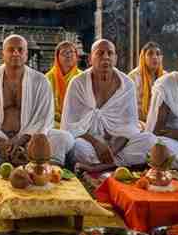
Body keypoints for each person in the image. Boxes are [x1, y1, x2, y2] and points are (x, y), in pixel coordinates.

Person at [0, 34, 74, 170]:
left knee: (64, 138)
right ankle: (32, 160)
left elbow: (43, 119)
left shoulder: (41, 81)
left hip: (30, 141)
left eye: (20, 50)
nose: (16, 53)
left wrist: (20, 142)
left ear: (26, 54)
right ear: (3, 54)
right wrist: (2, 143)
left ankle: (24, 155)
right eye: (11, 49)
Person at [62, 39, 156, 172]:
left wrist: (111, 150)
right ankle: (117, 163)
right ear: (90, 59)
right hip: (89, 142)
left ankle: (103, 166)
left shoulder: (127, 84)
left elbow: (129, 127)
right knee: (77, 148)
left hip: (118, 143)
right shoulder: (77, 83)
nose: (106, 57)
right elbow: (70, 125)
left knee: (149, 140)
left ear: (115, 58)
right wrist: (97, 145)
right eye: (100, 53)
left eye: (110, 53)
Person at [128, 41, 165, 129]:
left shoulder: (165, 77)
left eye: (158, 54)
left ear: (161, 58)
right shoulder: (133, 77)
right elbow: (128, 108)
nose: (155, 57)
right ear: (143, 57)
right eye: (150, 54)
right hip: (138, 122)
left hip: (159, 123)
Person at [45, 41, 82, 127]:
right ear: (57, 57)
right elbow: (45, 108)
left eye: (71, 52)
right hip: (54, 122)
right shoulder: (47, 78)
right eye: (64, 53)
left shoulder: (83, 77)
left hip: (77, 122)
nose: (68, 55)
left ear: (76, 56)